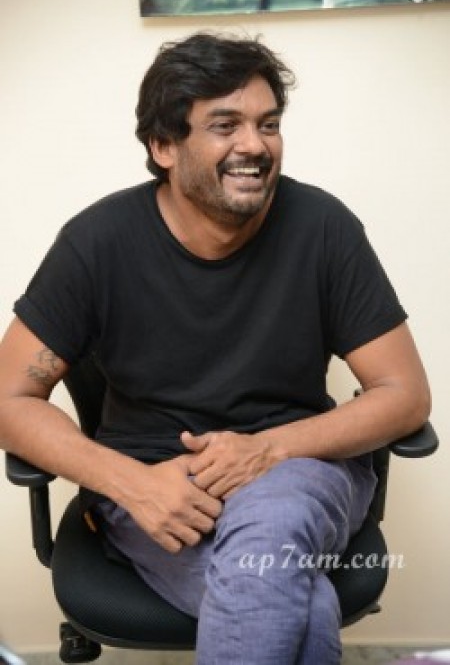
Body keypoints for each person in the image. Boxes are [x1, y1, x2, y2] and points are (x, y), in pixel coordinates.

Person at [0, 33, 430, 664]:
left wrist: (268, 449)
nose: (254, 145)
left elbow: (405, 394)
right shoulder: (97, 243)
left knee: (271, 525)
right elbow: (9, 397)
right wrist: (132, 484)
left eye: (268, 124)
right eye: (225, 125)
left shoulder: (323, 228)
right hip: (157, 489)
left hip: (299, 467)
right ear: (164, 146)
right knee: (299, 604)